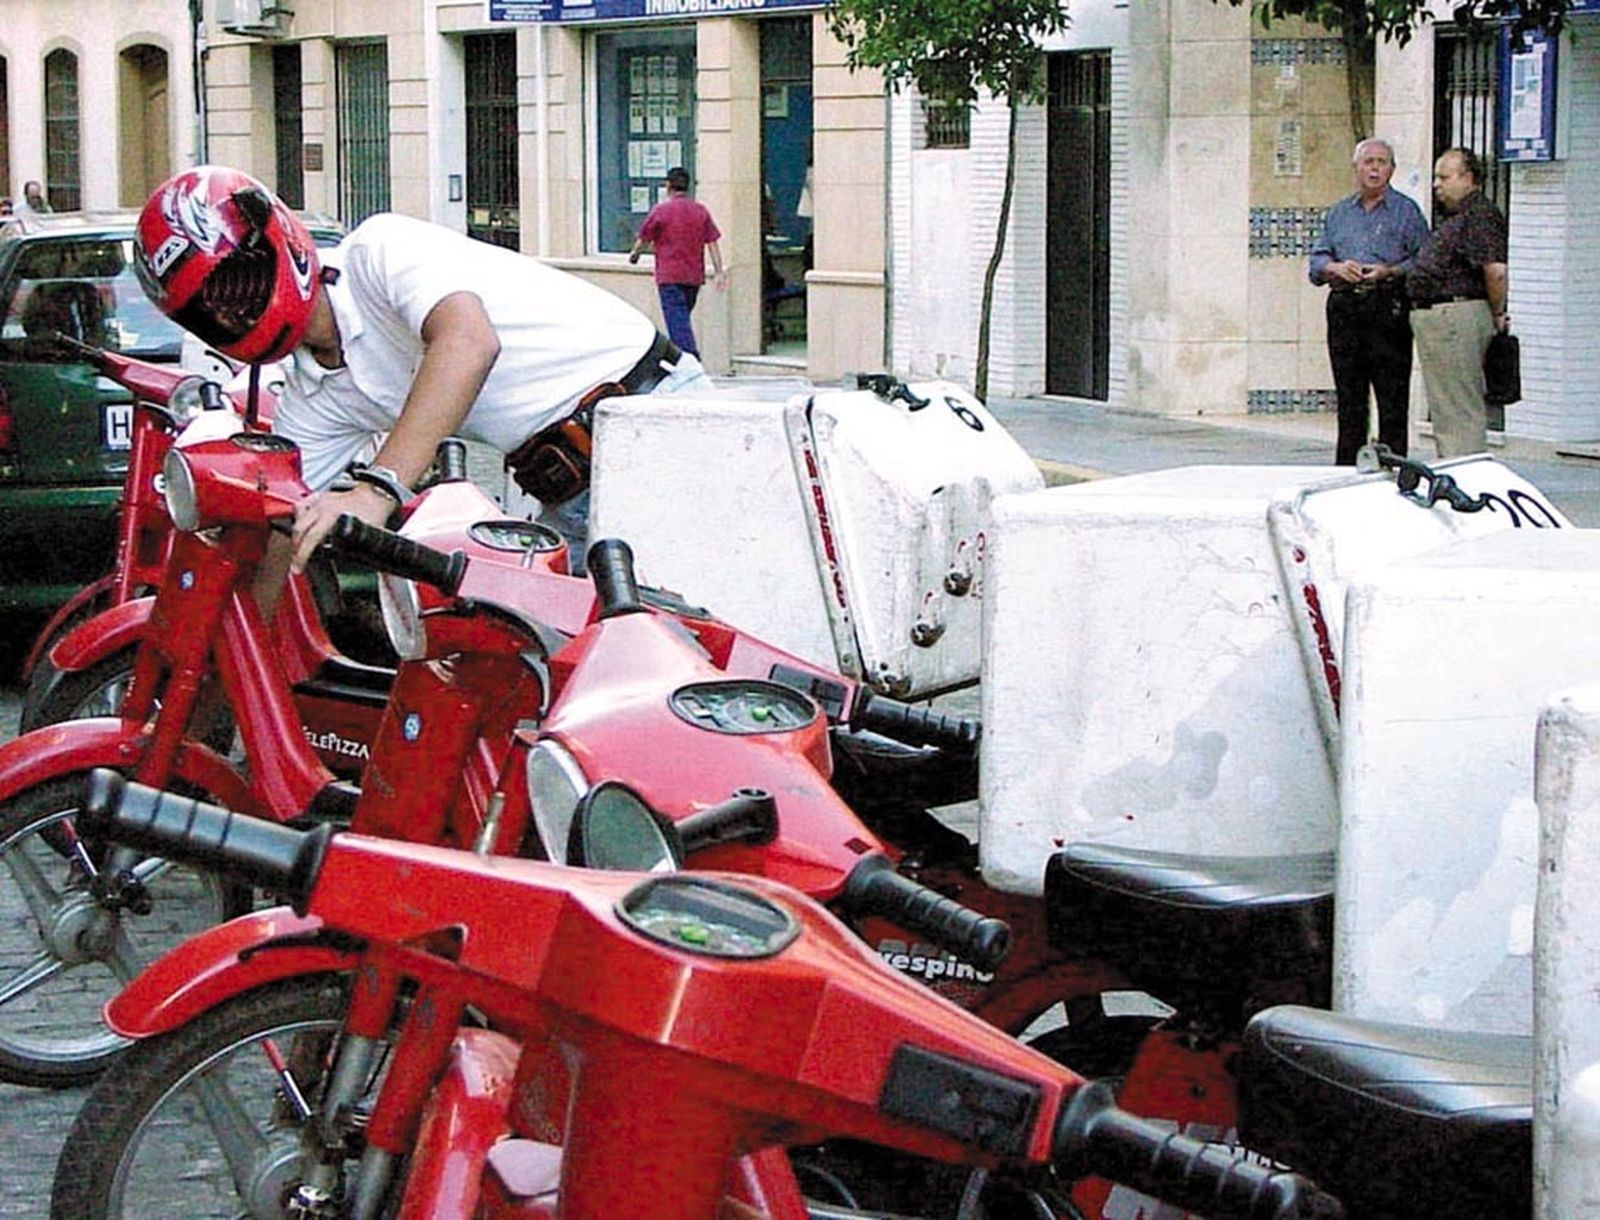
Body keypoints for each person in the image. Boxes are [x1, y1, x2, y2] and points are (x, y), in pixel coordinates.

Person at [132, 165, 711, 575]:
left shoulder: (379, 250)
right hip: (570, 486)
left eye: (234, 282)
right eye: (207, 310)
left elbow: (467, 341)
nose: (230, 313)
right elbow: (287, 522)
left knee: (677, 671)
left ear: (275, 238)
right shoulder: (313, 396)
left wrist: (377, 488)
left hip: (656, 418)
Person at [1308, 137, 1429, 465]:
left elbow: (1424, 262)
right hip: (1345, 307)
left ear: (1392, 169)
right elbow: (1316, 262)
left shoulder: (1406, 212)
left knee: (1392, 398)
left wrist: (1388, 271)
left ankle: (1395, 468)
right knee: (1350, 398)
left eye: (1381, 162)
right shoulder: (1339, 213)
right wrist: (1335, 268)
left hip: (1387, 307)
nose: (1374, 169)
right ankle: (1346, 469)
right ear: (1356, 167)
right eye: (1368, 162)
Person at [1407, 147, 1509, 459]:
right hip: (1440, 315)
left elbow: (1495, 271)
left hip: (1455, 314)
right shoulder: (1458, 216)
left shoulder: (1480, 215)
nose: (1437, 184)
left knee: (1458, 407)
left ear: (1468, 178)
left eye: (1444, 177)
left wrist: (1497, 312)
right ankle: (1453, 465)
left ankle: (1464, 470)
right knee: (1446, 407)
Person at [627, 166, 725, 358]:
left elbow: (644, 238)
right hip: (693, 277)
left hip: (669, 276)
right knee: (682, 319)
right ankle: (680, 358)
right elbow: (712, 242)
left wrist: (635, 254)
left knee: (677, 322)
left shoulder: (661, 211)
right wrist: (718, 271)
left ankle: (689, 359)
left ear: (668, 185)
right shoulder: (700, 211)